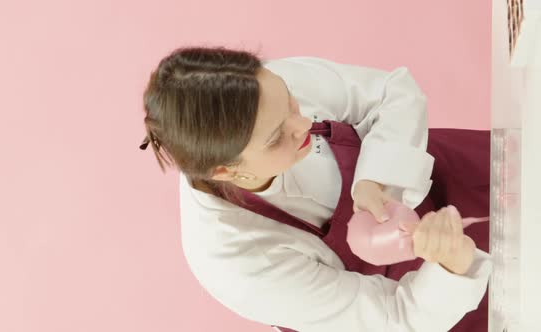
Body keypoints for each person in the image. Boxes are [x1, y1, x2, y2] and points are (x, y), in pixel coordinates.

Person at [139, 46, 492, 331]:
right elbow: (394, 318)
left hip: (461, 173)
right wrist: (451, 265)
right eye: (278, 137)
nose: (305, 123)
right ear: (226, 171)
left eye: (290, 100)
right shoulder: (237, 264)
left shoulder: (259, 93)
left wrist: (376, 179)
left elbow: (391, 92)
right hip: (432, 299)